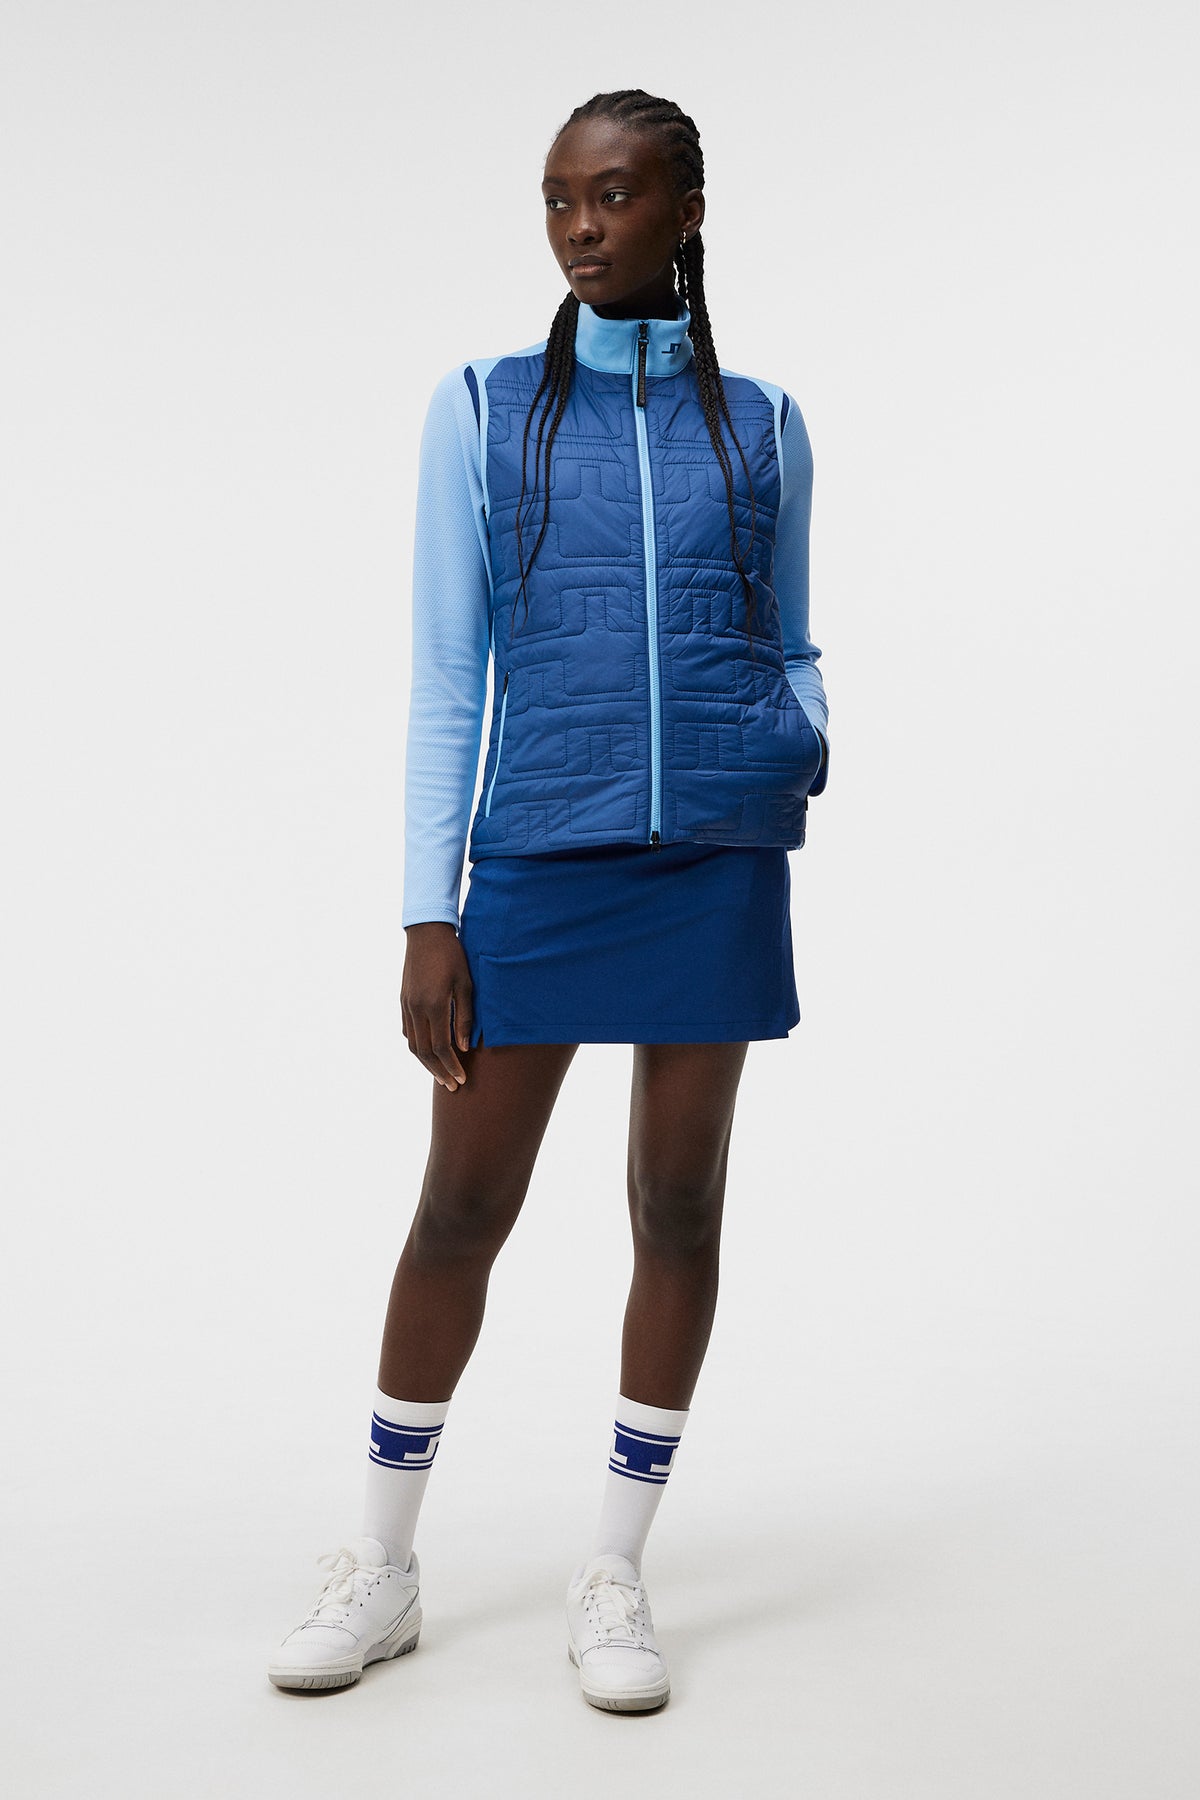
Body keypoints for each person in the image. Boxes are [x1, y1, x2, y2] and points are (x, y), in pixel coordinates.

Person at [267, 87, 831, 1714]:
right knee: (461, 1211)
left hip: (714, 862)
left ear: (686, 213)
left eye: (616, 196)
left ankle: (616, 1570)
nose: (583, 228)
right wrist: (427, 911)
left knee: (679, 1208)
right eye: (560, 200)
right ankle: (382, 1563)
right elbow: (450, 676)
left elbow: (791, 628)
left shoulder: (768, 422)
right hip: (536, 859)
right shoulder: (484, 406)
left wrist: (792, 733)